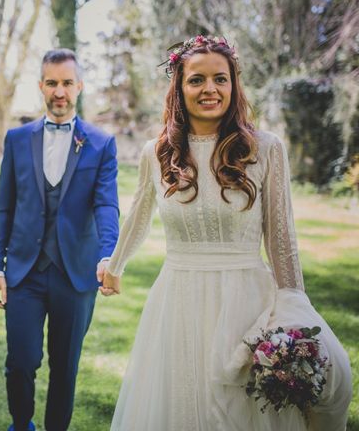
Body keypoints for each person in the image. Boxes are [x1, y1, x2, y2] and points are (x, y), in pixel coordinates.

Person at [97, 35, 353, 430]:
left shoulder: (266, 148)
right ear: (179, 89)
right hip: (178, 298)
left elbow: (282, 240)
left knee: (241, 408)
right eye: (196, 80)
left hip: (247, 300)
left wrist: (293, 309)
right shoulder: (157, 151)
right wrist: (114, 266)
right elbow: (139, 216)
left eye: (220, 79)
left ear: (234, 85)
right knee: (182, 403)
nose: (209, 89)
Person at [0, 48, 120, 431]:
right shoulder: (16, 140)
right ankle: (21, 424)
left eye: (66, 83)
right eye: (51, 83)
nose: (59, 91)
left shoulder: (100, 143)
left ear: (78, 86)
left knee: (65, 366)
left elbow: (106, 206)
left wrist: (108, 256)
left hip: (76, 274)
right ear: (40, 87)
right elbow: (3, 208)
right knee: (21, 361)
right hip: (24, 272)